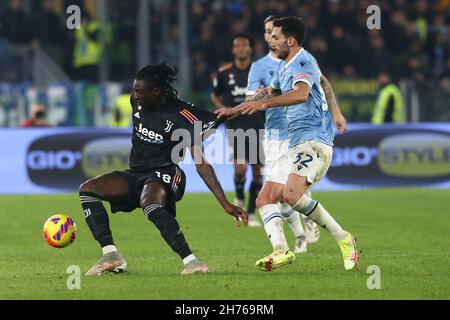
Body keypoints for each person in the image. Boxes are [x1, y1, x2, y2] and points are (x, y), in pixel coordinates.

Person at [79, 62, 248, 276]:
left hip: (167, 173)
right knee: (88, 189)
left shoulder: (184, 117)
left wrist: (225, 203)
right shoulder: (136, 103)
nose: (135, 95)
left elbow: (202, 163)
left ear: (156, 91)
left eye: (140, 91)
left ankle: (192, 261)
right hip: (137, 173)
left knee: (149, 202)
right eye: (134, 90)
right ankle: (111, 254)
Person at [229, 17, 358, 271]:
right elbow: (270, 91)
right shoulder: (284, 67)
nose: (270, 41)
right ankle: (280, 250)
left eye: (275, 37)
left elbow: (300, 94)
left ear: (290, 40)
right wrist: (234, 109)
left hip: (314, 143)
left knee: (291, 195)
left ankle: (343, 237)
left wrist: (263, 104)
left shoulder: (303, 61)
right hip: (294, 145)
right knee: (264, 199)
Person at [211, 33, 265, 227]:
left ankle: (251, 213)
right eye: (237, 46)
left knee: (258, 171)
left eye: (244, 45)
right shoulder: (224, 73)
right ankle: (240, 197)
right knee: (241, 168)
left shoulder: (260, 71)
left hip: (258, 124)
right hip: (236, 125)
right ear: (233, 50)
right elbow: (215, 96)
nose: (241, 48)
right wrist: (224, 110)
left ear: (250, 48)